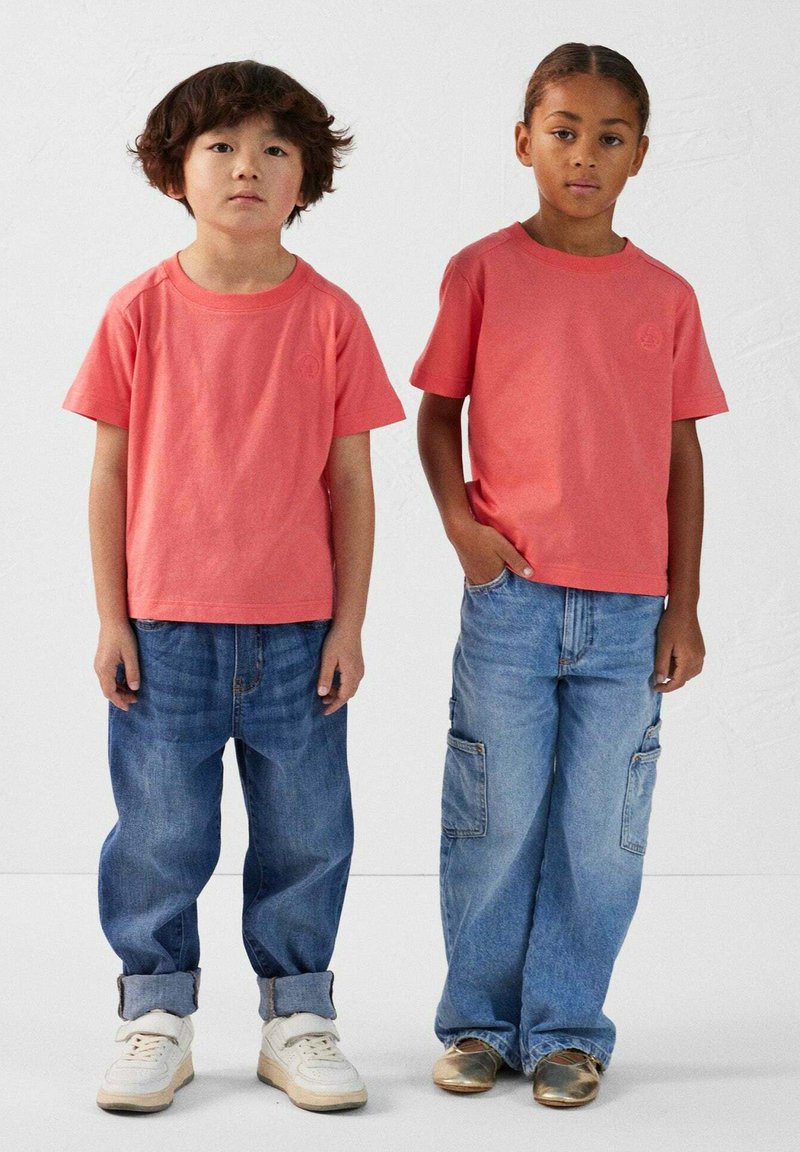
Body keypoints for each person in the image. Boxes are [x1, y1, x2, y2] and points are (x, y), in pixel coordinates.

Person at [62, 59, 404, 1115]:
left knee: (306, 831)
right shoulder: (139, 313)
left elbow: (350, 479)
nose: (245, 168)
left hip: (299, 633)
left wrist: (349, 623)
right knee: (161, 834)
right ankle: (154, 1013)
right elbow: (110, 471)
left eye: (272, 148)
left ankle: (297, 1016)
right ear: (176, 172)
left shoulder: (332, 317)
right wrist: (111, 616)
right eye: (218, 147)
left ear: (307, 178)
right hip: (164, 630)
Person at [412, 42, 728, 1108]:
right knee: (493, 813)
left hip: (630, 611)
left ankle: (562, 1028)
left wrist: (681, 603)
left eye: (607, 137)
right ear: (522, 142)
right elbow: (436, 413)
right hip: (510, 598)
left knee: (600, 827)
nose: (582, 154)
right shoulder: (481, 271)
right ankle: (473, 1024)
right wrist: (461, 525)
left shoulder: (665, 295)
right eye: (562, 132)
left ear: (637, 154)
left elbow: (682, 453)